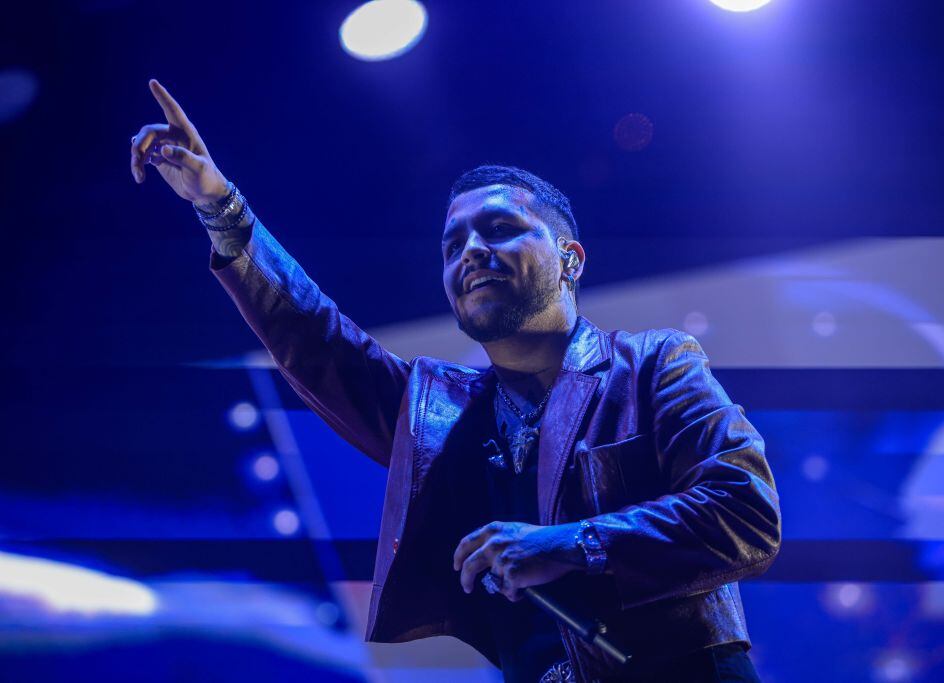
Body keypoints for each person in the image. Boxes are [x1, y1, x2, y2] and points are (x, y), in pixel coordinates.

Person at [130, 78, 782, 683]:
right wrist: (220, 207)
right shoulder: (442, 417)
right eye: (452, 244)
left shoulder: (653, 363)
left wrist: (572, 544)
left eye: (499, 229)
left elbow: (745, 511)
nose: (470, 250)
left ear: (570, 259)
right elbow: (317, 341)